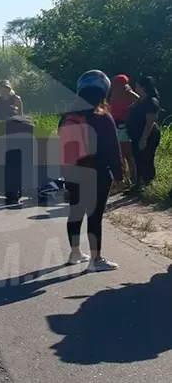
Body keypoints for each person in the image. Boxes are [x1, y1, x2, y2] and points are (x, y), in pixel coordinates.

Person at [58, 69, 123, 272]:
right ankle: (96, 259)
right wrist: (119, 174)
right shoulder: (103, 117)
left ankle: (75, 253)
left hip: (72, 171)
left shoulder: (67, 116)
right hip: (97, 172)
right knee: (95, 215)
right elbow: (113, 148)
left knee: (75, 212)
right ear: (104, 91)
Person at [125, 76, 163, 195]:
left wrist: (143, 139)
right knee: (138, 159)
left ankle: (148, 186)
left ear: (143, 87)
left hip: (148, 135)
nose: (135, 87)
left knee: (146, 160)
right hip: (138, 134)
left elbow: (150, 122)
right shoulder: (143, 100)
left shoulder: (152, 101)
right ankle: (139, 186)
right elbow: (135, 106)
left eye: (137, 85)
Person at [108, 74, 139, 190]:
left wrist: (129, 116)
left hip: (127, 128)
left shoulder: (130, 95)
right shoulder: (113, 96)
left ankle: (133, 179)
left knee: (129, 155)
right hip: (117, 127)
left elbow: (138, 105)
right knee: (120, 155)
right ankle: (124, 179)